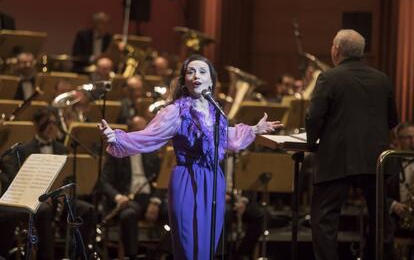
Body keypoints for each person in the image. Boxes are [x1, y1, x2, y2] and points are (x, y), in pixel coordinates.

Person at [99, 54, 283, 259]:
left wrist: (255, 129)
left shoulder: (216, 111)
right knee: (189, 245)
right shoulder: (175, 111)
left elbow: (226, 137)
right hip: (187, 178)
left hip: (213, 179)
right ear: (184, 80)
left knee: (207, 246)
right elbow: (149, 136)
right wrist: (115, 137)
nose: (196, 75)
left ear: (211, 81)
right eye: (191, 71)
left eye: (202, 71)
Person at [305, 29, 399, 260]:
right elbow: (392, 120)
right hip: (376, 160)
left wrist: (311, 142)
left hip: (338, 158)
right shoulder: (382, 79)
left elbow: (313, 117)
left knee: (324, 219)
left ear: (336, 50)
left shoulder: (329, 77)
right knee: (379, 219)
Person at [0, 108, 95, 259]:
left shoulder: (62, 149)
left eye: (54, 123)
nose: (51, 127)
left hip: (58, 197)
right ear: (37, 126)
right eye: (47, 123)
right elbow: (18, 180)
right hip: (34, 199)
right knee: (44, 210)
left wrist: (63, 193)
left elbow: (66, 178)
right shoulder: (25, 149)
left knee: (87, 209)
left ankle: (77, 254)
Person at [101, 115, 168, 259]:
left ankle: (162, 254)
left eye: (145, 130)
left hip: (149, 198)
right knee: (128, 215)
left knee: (176, 211)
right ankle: (132, 256)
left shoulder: (151, 150)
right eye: (139, 131)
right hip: (128, 198)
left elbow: (162, 179)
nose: (143, 134)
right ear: (129, 131)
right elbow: (104, 181)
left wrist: (155, 201)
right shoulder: (116, 150)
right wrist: (118, 197)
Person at [386, 122, 414, 258]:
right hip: (395, 217)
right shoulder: (388, 161)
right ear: (398, 140)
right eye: (408, 137)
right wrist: (394, 205)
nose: (413, 141)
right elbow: (378, 194)